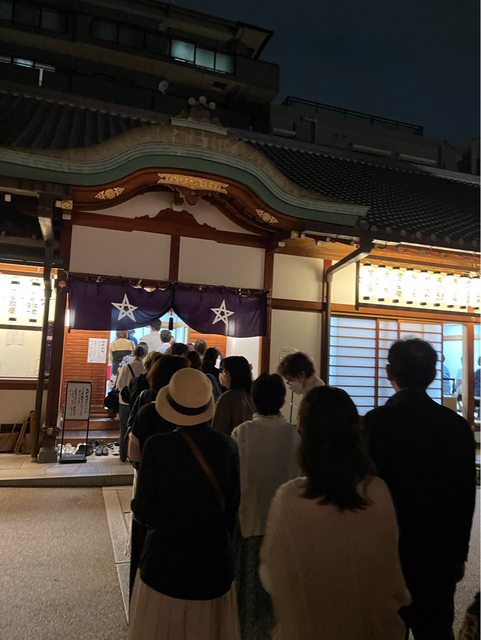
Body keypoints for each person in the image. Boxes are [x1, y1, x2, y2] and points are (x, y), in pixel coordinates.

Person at [260, 385, 410, 640]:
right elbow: (390, 575)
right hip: (369, 629)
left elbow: (273, 577)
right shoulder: (376, 491)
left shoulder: (289, 498)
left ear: (304, 431)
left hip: (306, 629)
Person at [364, 339, 476, 640]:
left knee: (385, 629)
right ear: (434, 374)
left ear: (389, 372)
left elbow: (364, 490)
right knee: (436, 628)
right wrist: (460, 553)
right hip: (439, 551)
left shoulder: (375, 423)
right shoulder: (456, 427)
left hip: (386, 548)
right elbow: (466, 497)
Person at [128, 368, 241, 640]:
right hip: (213, 563)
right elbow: (232, 508)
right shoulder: (227, 446)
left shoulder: (157, 446)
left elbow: (144, 511)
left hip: (165, 562)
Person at [231, 374, 300, 640]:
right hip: (286, 528)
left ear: (252, 400)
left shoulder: (242, 433)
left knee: (249, 594)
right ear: (282, 400)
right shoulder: (295, 435)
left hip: (249, 523)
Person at [115, 345, 146, 462]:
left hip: (124, 401)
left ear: (133, 353)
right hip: (139, 402)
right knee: (137, 429)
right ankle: (134, 457)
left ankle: (123, 455)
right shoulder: (145, 368)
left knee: (123, 428)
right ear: (144, 354)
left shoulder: (126, 367)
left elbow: (119, 385)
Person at [212, 356, 254, 435]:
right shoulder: (253, 395)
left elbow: (218, 430)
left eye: (223, 371)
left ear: (229, 374)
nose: (221, 374)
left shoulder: (226, 398)